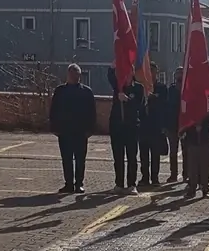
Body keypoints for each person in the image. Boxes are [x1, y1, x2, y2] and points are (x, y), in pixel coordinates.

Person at [48, 63, 96, 194]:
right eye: (72, 73)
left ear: (80, 75)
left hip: (81, 131)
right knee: (66, 159)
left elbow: (92, 112)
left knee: (80, 159)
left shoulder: (86, 92)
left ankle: (79, 183)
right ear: (68, 74)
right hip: (64, 131)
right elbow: (54, 110)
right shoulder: (60, 91)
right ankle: (68, 184)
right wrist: (54, 127)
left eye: (77, 74)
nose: (74, 76)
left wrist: (90, 129)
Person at [107, 65, 142, 194]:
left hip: (131, 126)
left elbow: (140, 104)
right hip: (117, 126)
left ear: (133, 72)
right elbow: (110, 76)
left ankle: (132, 184)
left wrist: (127, 100)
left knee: (132, 156)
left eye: (129, 71)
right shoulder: (118, 86)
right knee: (118, 156)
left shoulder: (138, 88)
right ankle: (119, 183)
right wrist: (113, 65)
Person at [139, 67, 166, 189]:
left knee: (155, 154)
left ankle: (155, 178)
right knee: (143, 154)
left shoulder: (162, 88)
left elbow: (164, 105)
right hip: (143, 126)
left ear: (156, 73)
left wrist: (154, 98)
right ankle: (145, 177)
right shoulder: (141, 88)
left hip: (156, 126)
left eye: (153, 72)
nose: (150, 74)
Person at [182, 106, 209, 199]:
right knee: (192, 167)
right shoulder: (189, 112)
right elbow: (185, 120)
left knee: (205, 167)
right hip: (193, 142)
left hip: (204, 142)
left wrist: (202, 117)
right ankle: (192, 189)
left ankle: (205, 189)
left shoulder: (207, 113)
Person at [163, 67, 184, 183]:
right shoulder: (171, 89)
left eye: (181, 73)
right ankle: (173, 174)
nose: (179, 76)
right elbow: (166, 108)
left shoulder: (187, 88)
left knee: (187, 151)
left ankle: (186, 174)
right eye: (177, 74)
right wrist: (165, 125)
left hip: (185, 125)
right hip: (172, 125)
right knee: (173, 152)